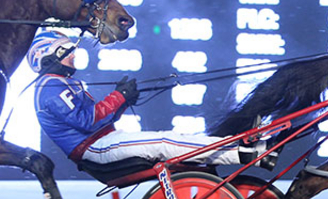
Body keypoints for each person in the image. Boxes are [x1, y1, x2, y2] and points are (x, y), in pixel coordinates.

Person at [27, 31, 272, 171]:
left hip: (101, 142)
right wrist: (119, 96)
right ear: (48, 56)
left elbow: (94, 119)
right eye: (66, 50)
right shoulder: (50, 85)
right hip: (95, 148)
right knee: (165, 142)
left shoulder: (56, 84)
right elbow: (87, 120)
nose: (73, 54)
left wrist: (123, 101)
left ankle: (243, 149)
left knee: (172, 139)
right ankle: (247, 153)